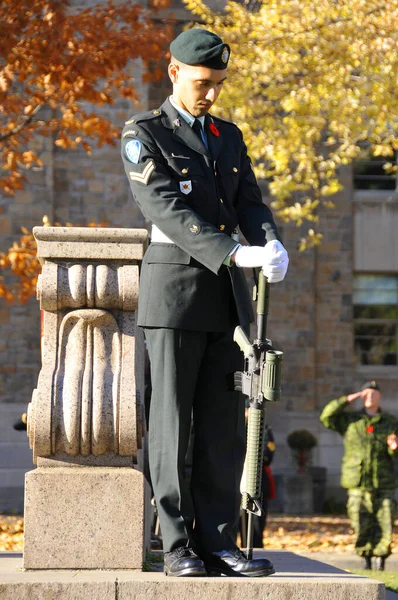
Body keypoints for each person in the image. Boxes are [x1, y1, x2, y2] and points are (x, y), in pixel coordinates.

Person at [121, 28, 289, 577]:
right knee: (171, 425)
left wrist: (269, 240)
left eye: (218, 84)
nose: (211, 94)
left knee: (223, 425)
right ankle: (175, 546)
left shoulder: (227, 135)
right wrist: (232, 252)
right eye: (202, 83)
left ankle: (218, 541)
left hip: (226, 298)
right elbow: (165, 207)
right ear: (173, 73)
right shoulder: (144, 133)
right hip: (173, 296)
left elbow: (248, 200)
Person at [320, 381, 398, 571]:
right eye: (366, 393)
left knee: (385, 521)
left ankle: (381, 560)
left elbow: (394, 452)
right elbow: (326, 416)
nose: (370, 397)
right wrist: (348, 399)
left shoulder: (390, 422)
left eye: (374, 393)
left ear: (380, 396)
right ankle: (366, 559)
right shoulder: (350, 420)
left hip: (383, 481)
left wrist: (394, 448)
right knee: (360, 522)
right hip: (357, 482)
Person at [240, 423, 276, 548]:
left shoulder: (263, 429)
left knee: (256, 522)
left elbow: (268, 454)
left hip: (258, 477)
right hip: (237, 476)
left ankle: (255, 549)